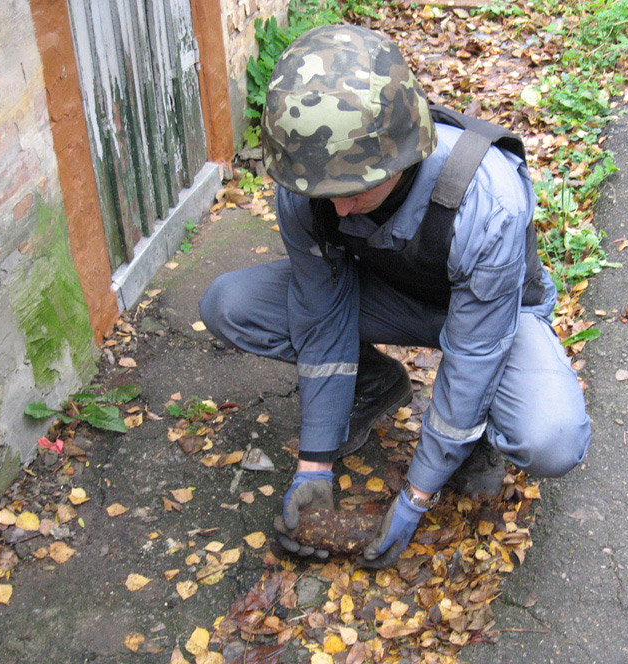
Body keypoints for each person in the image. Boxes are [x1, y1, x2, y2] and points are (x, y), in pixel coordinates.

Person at [199, 24, 591, 568]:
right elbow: (320, 315)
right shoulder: (309, 185)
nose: (335, 210)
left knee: (551, 439)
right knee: (230, 305)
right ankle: (377, 384)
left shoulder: (486, 198)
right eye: (322, 193)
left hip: (498, 317)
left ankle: (479, 437)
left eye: (352, 191)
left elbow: (476, 352)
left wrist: (417, 495)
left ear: (401, 157)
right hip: (396, 298)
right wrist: (314, 462)